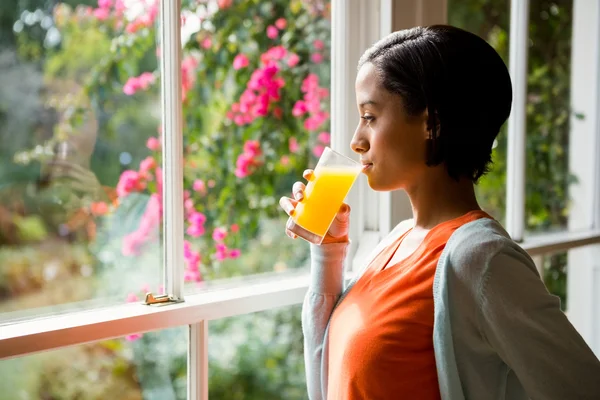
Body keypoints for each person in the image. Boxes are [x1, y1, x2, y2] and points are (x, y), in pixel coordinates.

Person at [279, 25, 600, 400]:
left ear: (431, 123)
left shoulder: (480, 259)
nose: (356, 140)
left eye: (369, 116)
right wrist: (329, 251)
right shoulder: (398, 239)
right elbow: (329, 377)